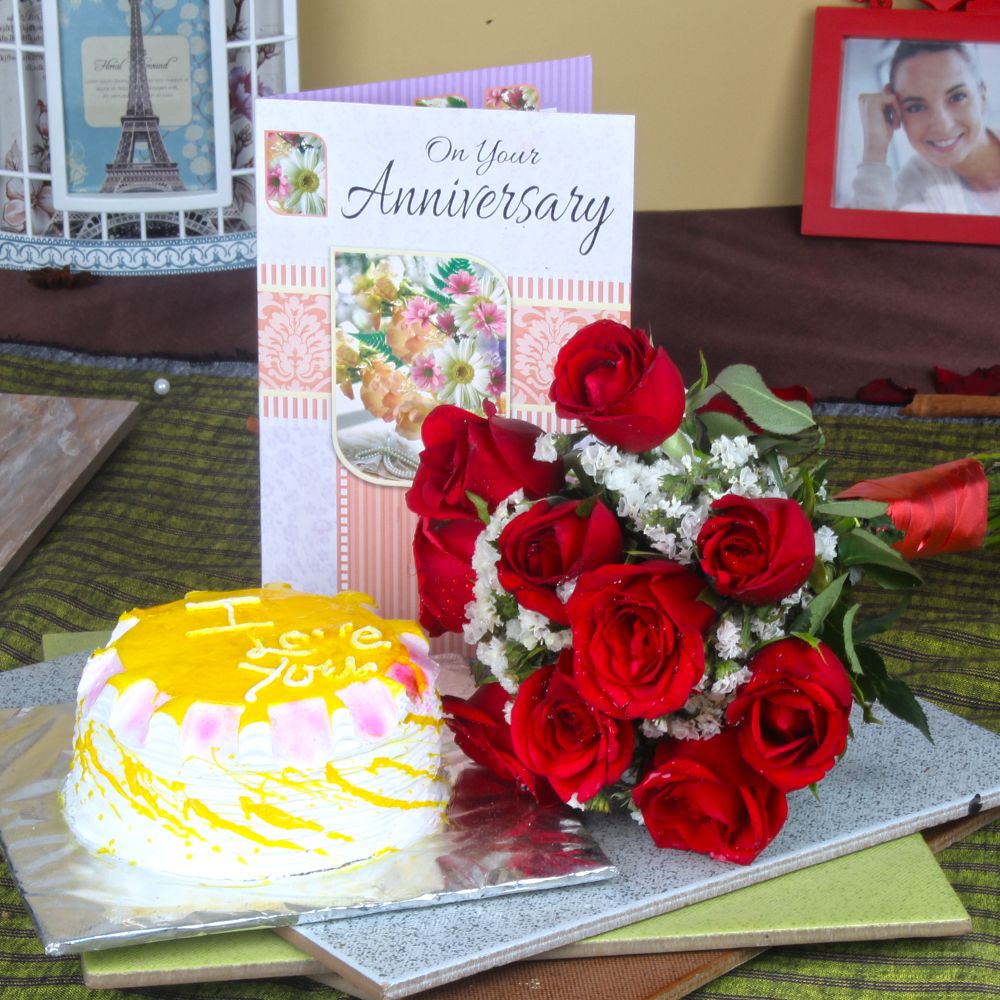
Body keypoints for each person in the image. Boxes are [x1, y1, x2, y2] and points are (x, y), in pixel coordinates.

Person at [852, 41, 1000, 213]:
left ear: (982, 95)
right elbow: (867, 232)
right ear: (896, 112)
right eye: (915, 107)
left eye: (957, 97)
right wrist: (874, 148)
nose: (943, 125)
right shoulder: (915, 184)